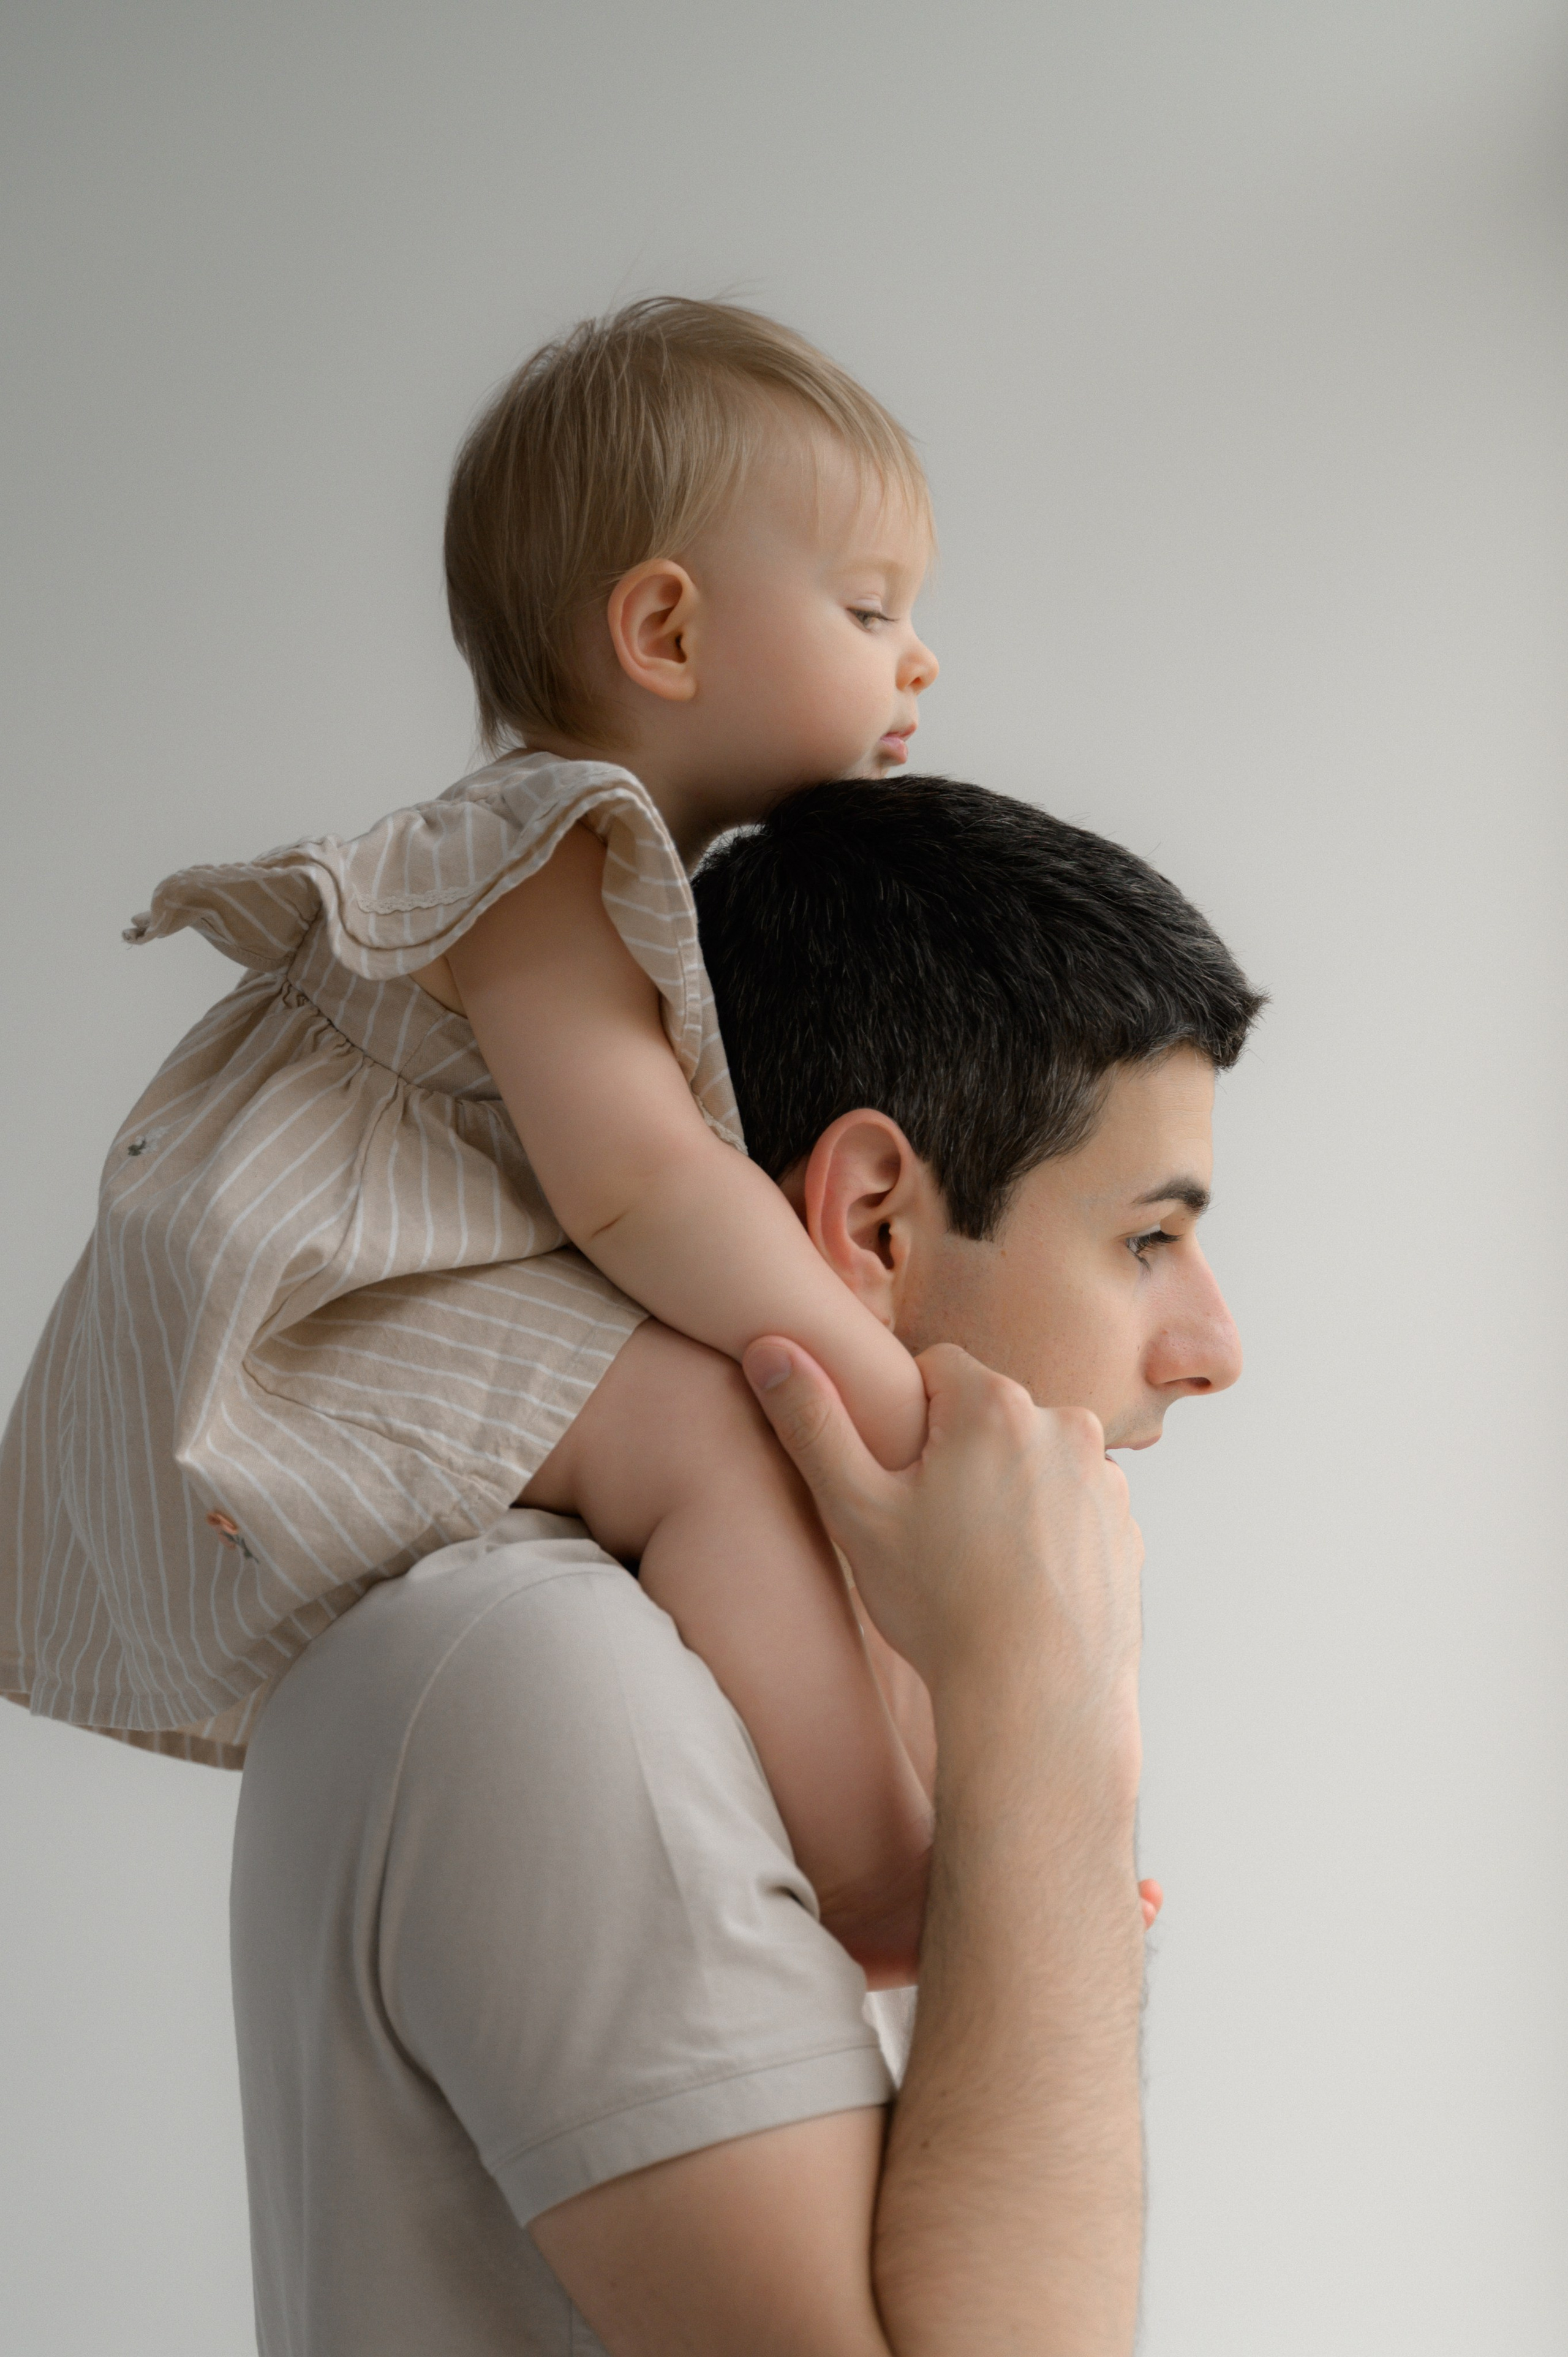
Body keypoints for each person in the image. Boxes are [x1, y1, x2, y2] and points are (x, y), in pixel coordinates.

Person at [231, 775, 1261, 2355]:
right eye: (1145, 1240)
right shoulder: (556, 1677)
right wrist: (1045, 1729)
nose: (1213, 1351)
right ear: (874, 1222)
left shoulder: (823, 1708)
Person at [0, 294, 950, 1970]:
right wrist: (886, 1395)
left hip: (376, 1285)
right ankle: (878, 1883)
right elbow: (640, 1183)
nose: (919, 655)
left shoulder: (610, 864)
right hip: (312, 1326)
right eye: (871, 607)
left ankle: (936, 1799)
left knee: (765, 1447)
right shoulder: (550, 842)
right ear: (663, 631)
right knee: (725, 1431)